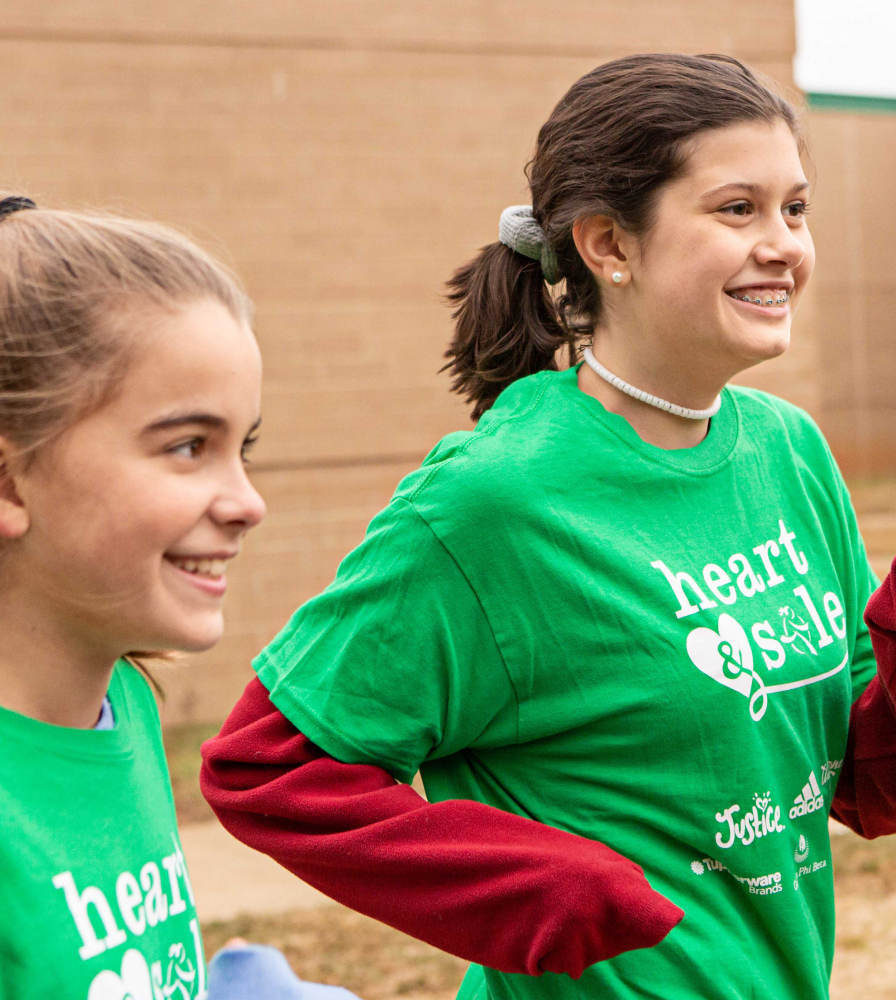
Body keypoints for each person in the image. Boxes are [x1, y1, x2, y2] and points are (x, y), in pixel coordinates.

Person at [200, 53, 896, 1000]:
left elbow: (859, 777)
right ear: (609, 245)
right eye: (738, 209)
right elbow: (267, 768)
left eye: (796, 209)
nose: (783, 245)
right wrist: (545, 889)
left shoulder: (790, 451)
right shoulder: (493, 501)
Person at [0, 191, 357, 999]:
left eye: (242, 448)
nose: (248, 502)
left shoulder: (125, 704)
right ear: (2, 482)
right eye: (188, 446)